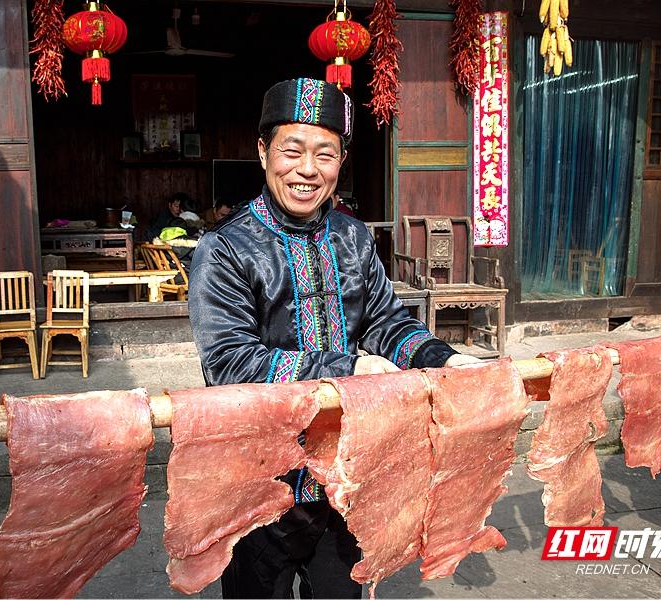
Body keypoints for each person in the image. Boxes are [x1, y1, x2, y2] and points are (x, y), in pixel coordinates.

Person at [188, 77, 479, 599]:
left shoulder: (353, 236)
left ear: (341, 162)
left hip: (345, 476)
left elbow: (385, 322)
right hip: (261, 481)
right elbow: (230, 364)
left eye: (325, 154)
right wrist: (347, 369)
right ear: (263, 152)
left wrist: (445, 359)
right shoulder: (225, 249)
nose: (307, 169)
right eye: (292, 150)